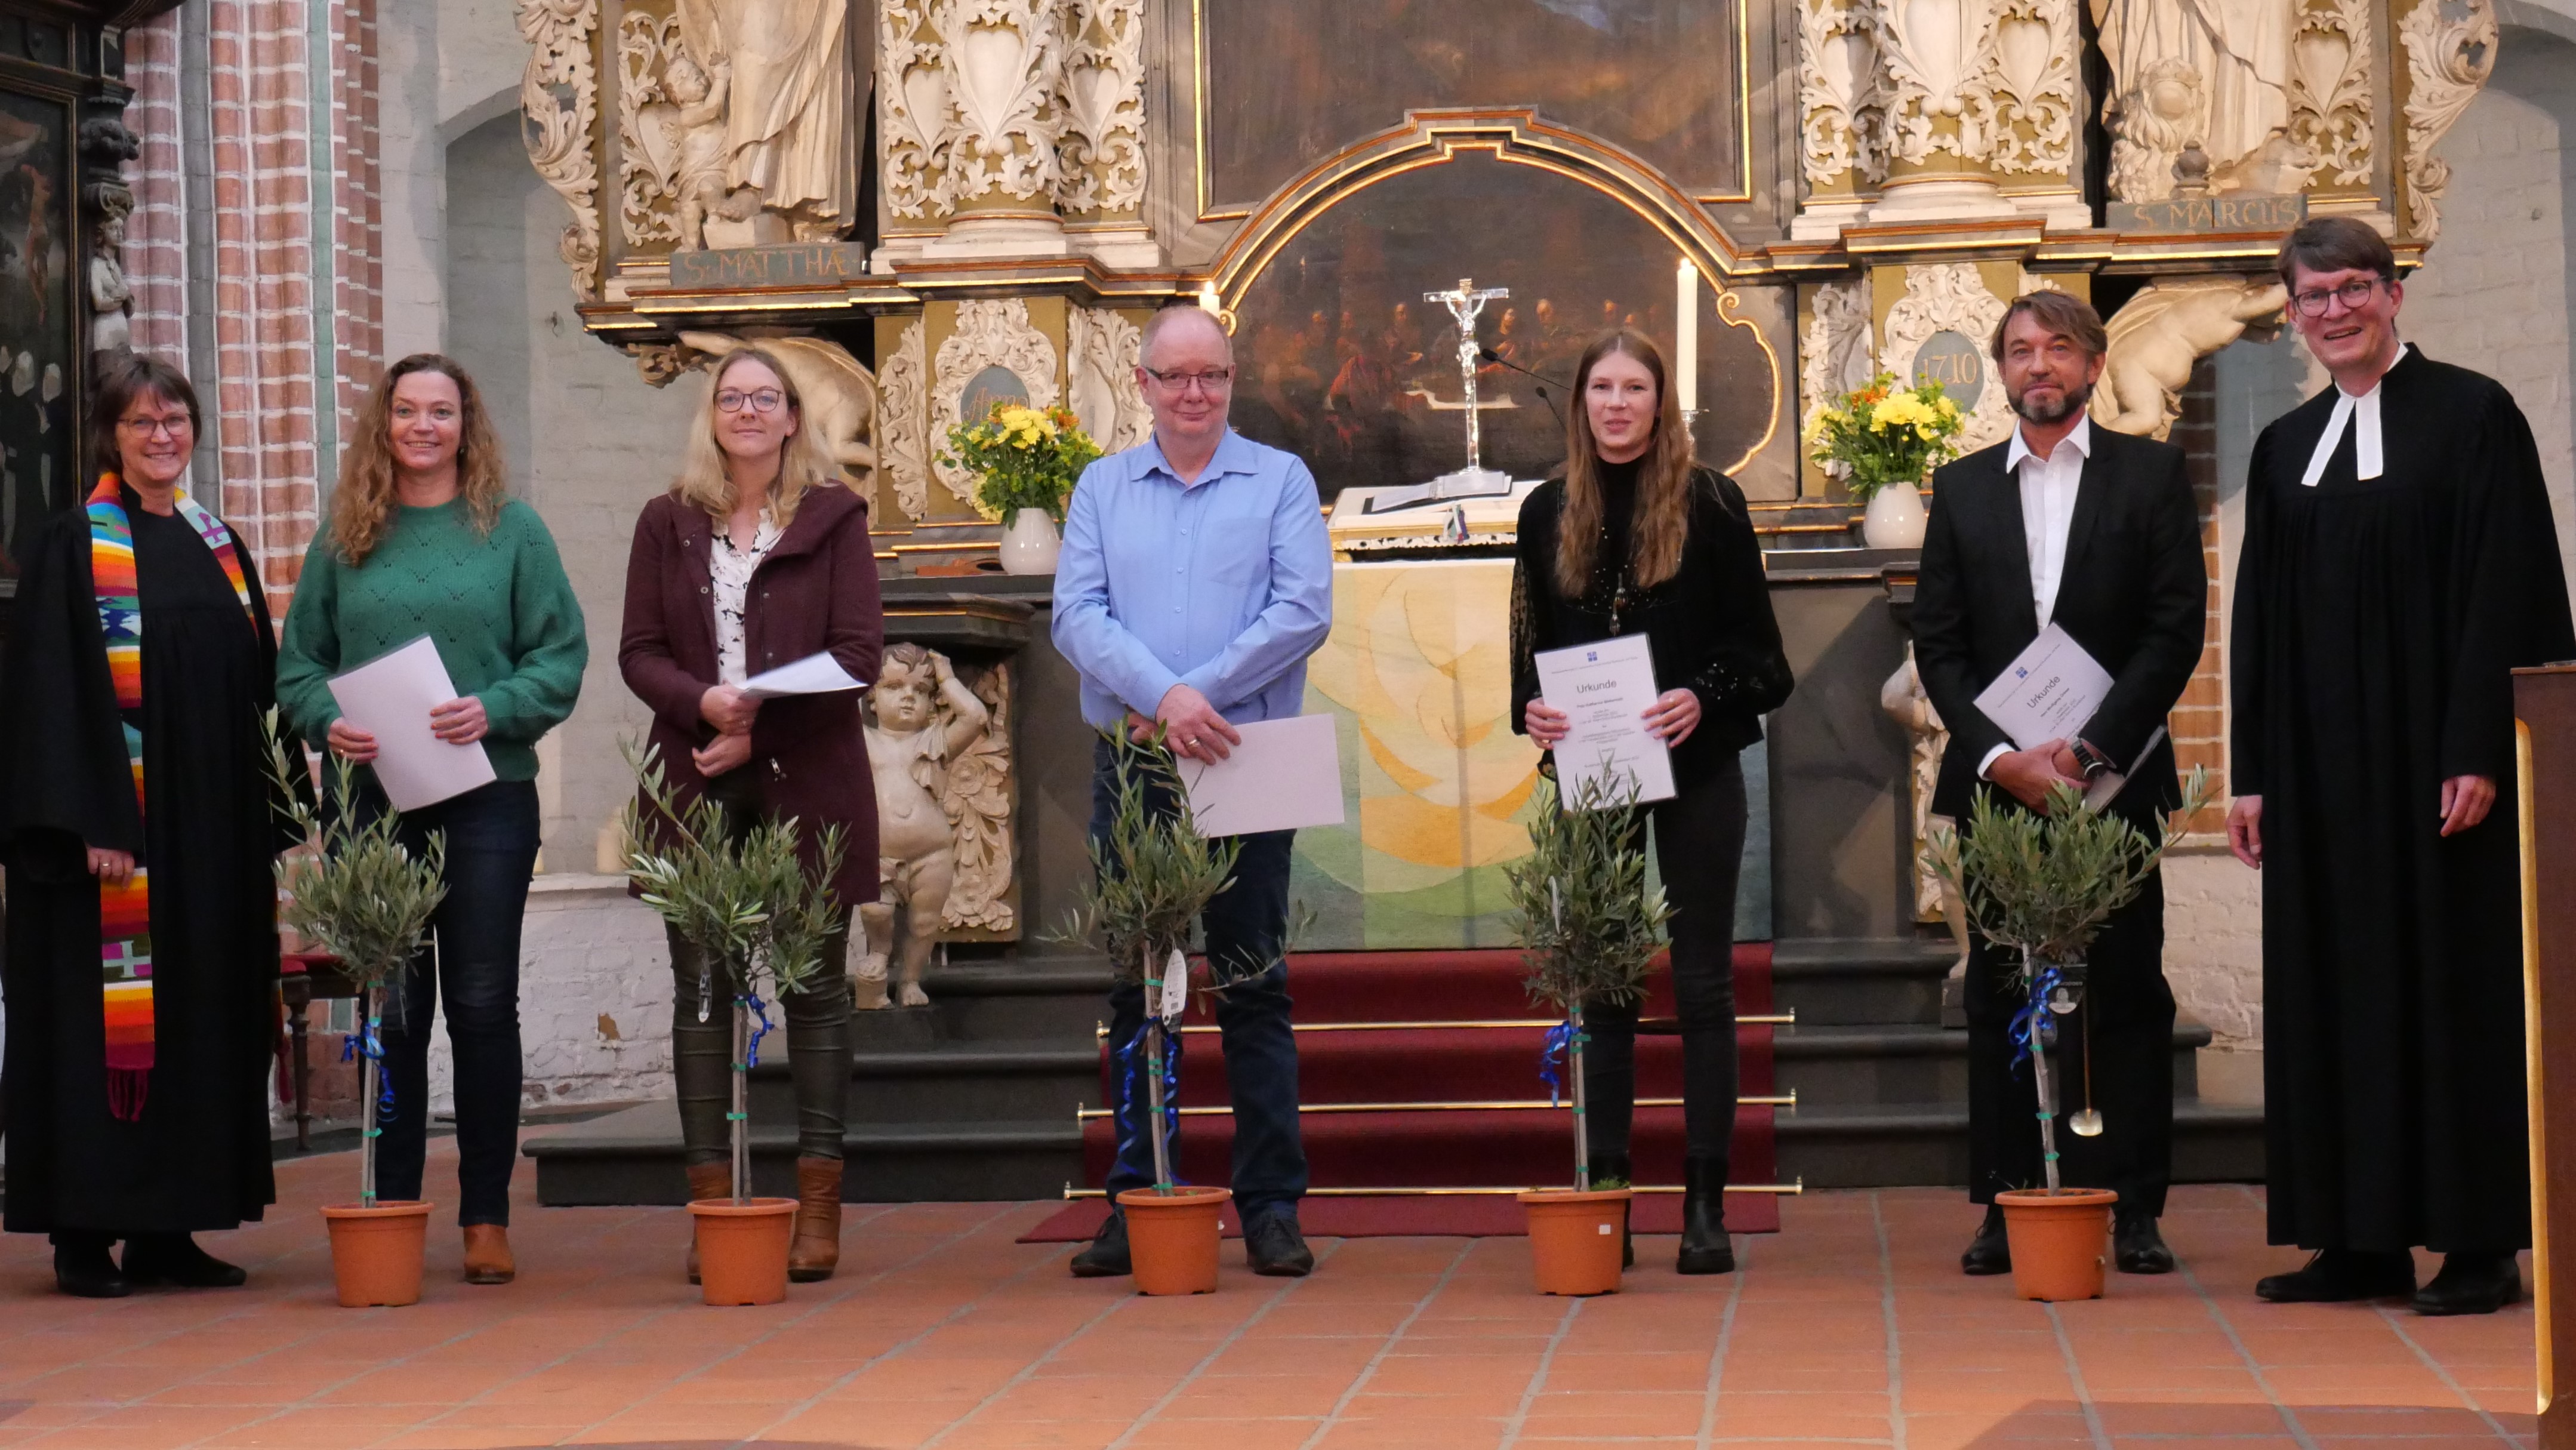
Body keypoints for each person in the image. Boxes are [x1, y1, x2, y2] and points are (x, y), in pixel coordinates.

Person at [2228, 217, 2575, 1315]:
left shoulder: (2474, 416)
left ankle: (2479, 1241)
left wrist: (2479, 745)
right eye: (2313, 296)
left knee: (2454, 987)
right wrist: (2252, 772)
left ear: (2392, 293)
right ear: (2293, 314)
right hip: (2319, 778)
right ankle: (2356, 1239)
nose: (2333, 311)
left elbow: (2507, 588)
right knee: (2334, 989)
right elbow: (2257, 618)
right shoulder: (2284, 448)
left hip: (2440, 774)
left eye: (2351, 288)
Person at [277, 353, 588, 1288]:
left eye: (441, 411)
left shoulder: (512, 530)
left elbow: (559, 656)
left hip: (488, 794)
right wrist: (326, 720)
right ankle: (394, 1203)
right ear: (385, 422)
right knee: (396, 1007)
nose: (423, 426)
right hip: (375, 801)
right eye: (407, 410)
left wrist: (495, 707)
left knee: (483, 1004)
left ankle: (486, 1213)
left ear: (466, 424)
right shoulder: (346, 535)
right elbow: (298, 666)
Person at [1911, 291, 2204, 1279]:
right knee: (2002, 990)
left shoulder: (2151, 474)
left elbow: (2174, 627)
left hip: (2115, 782)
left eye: (2059, 348)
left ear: (2093, 364)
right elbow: (1939, 644)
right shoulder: (1961, 489)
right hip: (2000, 786)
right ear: (2002, 370)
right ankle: (2007, 1199)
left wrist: (2089, 751)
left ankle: (2134, 1204)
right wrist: (2003, 758)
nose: (2039, 365)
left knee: (2126, 990)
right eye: (2021, 350)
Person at [0, 358, 297, 1298]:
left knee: (202, 1017)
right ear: (111, 436)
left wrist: (276, 807)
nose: (161, 437)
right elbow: (47, 692)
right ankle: (84, 1232)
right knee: (102, 1032)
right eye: (141, 422)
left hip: (211, 836)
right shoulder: (74, 545)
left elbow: (257, 684)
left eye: (175, 420)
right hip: (116, 844)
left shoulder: (220, 544)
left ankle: (171, 1226)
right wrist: (90, 816)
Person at [1053, 303, 1333, 1280]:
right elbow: (1075, 614)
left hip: (1248, 752)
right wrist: (1164, 698)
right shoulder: (1100, 488)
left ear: (1231, 381)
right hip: (1133, 759)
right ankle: (1140, 1195)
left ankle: (1271, 1207)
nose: (1193, 392)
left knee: (1254, 982)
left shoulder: (1282, 479)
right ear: (1143, 385)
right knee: (1140, 984)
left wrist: (1191, 697)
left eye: (1210, 374)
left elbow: (1303, 609)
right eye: (1174, 376)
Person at [1509, 330, 1794, 1276]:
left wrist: (1702, 693)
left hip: (1697, 763)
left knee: (1704, 980)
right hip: (1595, 770)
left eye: (1635, 387)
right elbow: (1529, 652)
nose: (1618, 403)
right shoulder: (1547, 510)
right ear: (1581, 402)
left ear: (1661, 402)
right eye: (1602, 387)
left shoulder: (1712, 502)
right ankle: (1611, 1193)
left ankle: (1705, 1203)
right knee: (1604, 983)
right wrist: (1533, 708)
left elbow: (1763, 656)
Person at [619, 345, 881, 1284]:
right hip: (695, 773)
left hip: (807, 775)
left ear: (793, 418)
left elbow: (858, 653)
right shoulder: (667, 520)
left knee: (813, 990)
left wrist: (757, 724)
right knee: (702, 994)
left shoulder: (835, 518)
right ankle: (714, 1205)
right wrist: (705, 705)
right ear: (713, 415)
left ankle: (819, 1210)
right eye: (731, 397)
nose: (748, 412)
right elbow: (640, 650)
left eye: (766, 398)